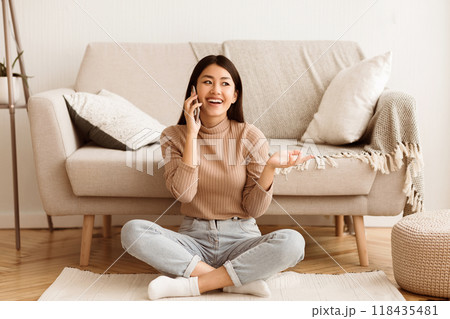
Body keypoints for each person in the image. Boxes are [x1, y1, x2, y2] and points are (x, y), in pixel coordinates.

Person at [121, 55, 314, 300]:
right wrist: (192, 133)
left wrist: (270, 168)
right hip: (193, 242)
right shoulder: (173, 136)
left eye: (225, 83)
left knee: (293, 242)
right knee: (132, 231)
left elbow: (253, 208)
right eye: (207, 82)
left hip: (241, 240)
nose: (216, 90)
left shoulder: (250, 136)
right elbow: (184, 194)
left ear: (235, 95)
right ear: (194, 90)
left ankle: (191, 285)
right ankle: (234, 281)